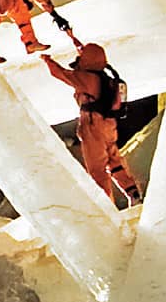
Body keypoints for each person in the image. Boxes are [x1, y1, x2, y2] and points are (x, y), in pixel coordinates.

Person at [45, 42, 141, 206]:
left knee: (97, 170)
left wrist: (47, 60)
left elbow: (61, 74)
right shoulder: (107, 80)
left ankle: (106, 206)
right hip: (109, 126)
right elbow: (89, 59)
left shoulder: (86, 79)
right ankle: (133, 193)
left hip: (93, 128)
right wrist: (81, 49)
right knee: (114, 161)